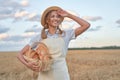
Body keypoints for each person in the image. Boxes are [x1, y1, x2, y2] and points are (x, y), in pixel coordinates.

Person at [17, 6, 90, 80]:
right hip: (44, 76)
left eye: (58, 16)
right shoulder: (39, 37)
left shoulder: (66, 35)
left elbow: (86, 25)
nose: (56, 18)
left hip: (62, 75)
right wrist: (27, 65)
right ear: (47, 20)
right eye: (52, 16)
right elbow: (20, 54)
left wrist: (69, 15)